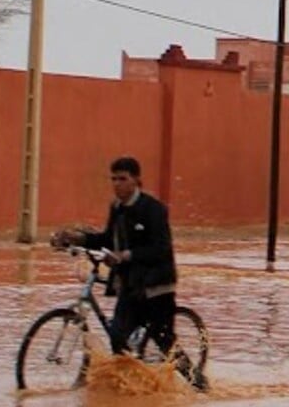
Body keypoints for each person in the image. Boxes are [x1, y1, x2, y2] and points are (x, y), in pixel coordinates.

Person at [50, 157, 197, 387]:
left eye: (122, 179)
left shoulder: (154, 209)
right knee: (118, 337)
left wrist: (125, 255)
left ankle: (199, 385)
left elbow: (160, 248)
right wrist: (79, 238)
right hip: (131, 285)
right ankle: (133, 389)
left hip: (157, 288)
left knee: (166, 345)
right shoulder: (117, 208)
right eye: (114, 179)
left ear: (136, 180)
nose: (117, 184)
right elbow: (108, 238)